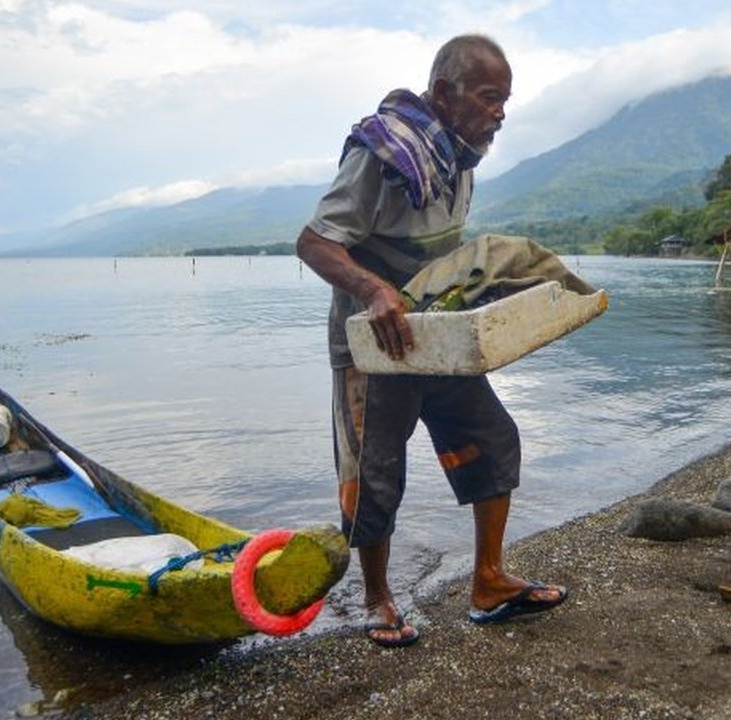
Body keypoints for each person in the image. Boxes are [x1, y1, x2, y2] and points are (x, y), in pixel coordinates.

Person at [295, 34, 566, 648]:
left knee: (492, 441)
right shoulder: (383, 155)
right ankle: (377, 600)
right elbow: (313, 242)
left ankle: (490, 582)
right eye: (489, 97)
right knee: (374, 474)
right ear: (444, 93)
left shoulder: (458, 160)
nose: (500, 112)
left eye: (506, 100)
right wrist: (371, 288)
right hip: (373, 345)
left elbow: (443, 257)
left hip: (438, 340)